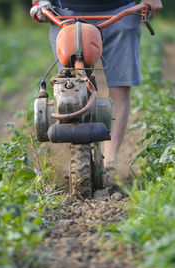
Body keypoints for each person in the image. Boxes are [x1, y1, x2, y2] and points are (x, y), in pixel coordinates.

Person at [30, 0, 163, 167]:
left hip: (120, 12)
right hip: (65, 14)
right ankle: (78, 154)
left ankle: (110, 162)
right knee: (69, 86)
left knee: (120, 85)